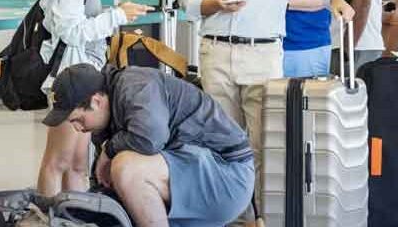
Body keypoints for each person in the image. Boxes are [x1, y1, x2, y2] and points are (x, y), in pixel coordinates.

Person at [177, 0, 354, 224]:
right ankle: (236, 219)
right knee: (220, 145)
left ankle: (263, 219)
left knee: (264, 145)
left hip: (264, 52)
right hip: (216, 50)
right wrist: (212, 3)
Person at [35, 0, 152, 199]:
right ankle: (46, 215)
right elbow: (72, 32)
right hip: (70, 79)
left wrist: (114, 15)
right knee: (58, 160)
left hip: (83, 75)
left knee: (76, 163)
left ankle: (74, 216)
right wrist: (117, 16)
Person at [43, 64, 254, 227]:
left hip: (229, 175)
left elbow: (150, 139)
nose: (78, 129)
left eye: (78, 119)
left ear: (96, 102)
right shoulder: (107, 119)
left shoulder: (135, 86)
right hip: (198, 174)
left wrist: (109, 150)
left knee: (127, 168)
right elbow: (106, 184)